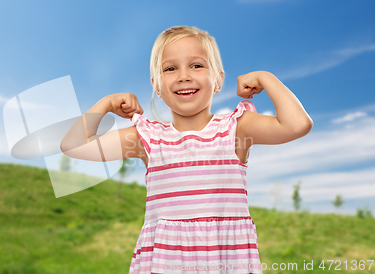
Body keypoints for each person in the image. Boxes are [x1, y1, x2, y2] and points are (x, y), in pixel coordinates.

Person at [60, 25, 313, 273]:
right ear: (156, 86)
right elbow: (73, 146)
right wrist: (106, 103)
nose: (184, 75)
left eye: (197, 65)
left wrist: (265, 78)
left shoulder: (236, 129)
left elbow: (297, 124)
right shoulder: (147, 139)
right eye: (170, 68)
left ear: (218, 79)